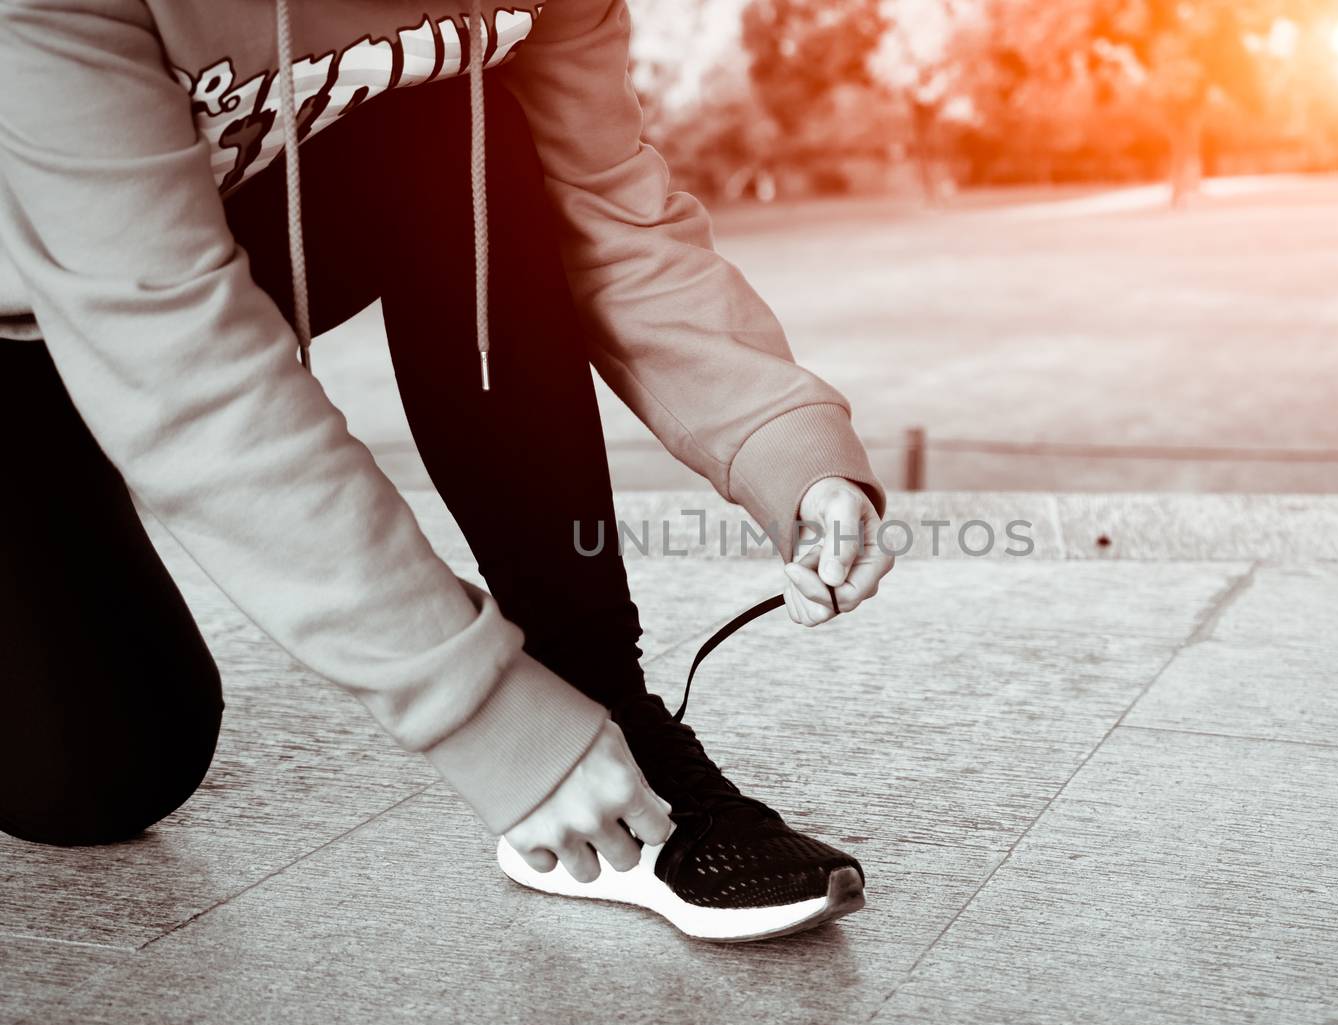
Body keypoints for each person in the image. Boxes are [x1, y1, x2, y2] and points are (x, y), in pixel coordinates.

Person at [0, 0, 894, 943]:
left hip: (200, 273)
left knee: (458, 120)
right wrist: (491, 722)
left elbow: (608, 207)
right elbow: (180, 361)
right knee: (104, 777)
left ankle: (604, 693)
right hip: (33, 350)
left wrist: (792, 454)